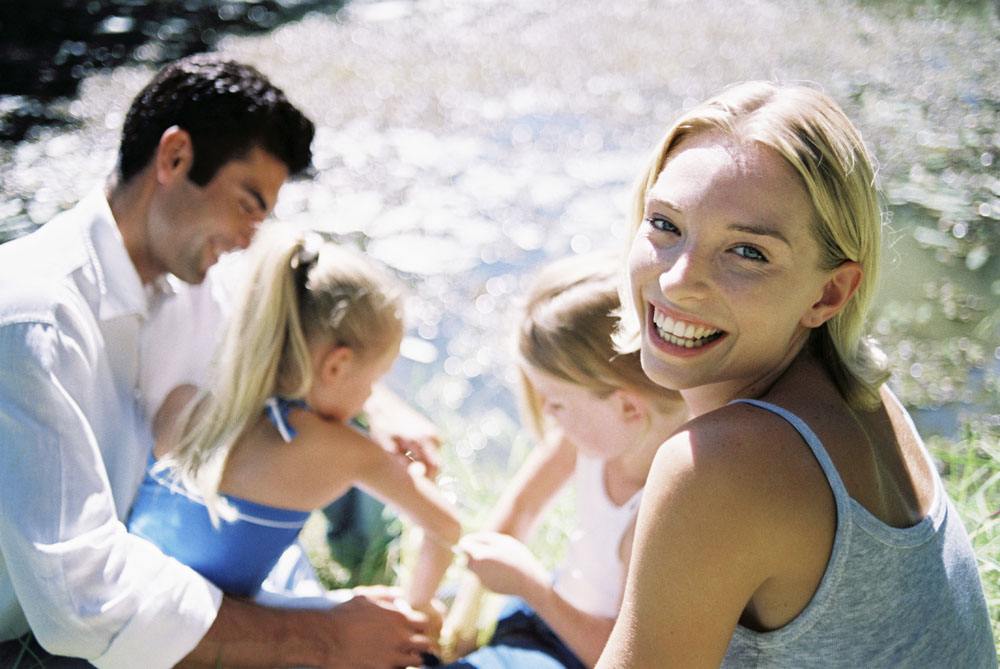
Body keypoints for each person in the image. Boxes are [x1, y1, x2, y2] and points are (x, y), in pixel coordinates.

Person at [0, 54, 436, 669]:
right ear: (174, 158)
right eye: (246, 205)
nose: (250, 238)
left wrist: (383, 408)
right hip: (44, 643)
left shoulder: (193, 275)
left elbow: (295, 348)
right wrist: (325, 638)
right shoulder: (34, 321)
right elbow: (82, 605)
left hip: (170, 565)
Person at [594, 81, 996, 667]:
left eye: (748, 252)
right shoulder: (862, 398)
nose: (678, 281)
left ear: (829, 293)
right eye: (665, 224)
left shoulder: (721, 468)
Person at [128, 225, 461, 625]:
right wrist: (418, 607)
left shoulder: (183, 403)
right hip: (229, 640)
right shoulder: (342, 451)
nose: (370, 400)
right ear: (337, 365)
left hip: (138, 615)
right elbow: (446, 528)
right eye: (373, 382)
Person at [439, 252, 688, 668]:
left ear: (627, 407)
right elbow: (521, 509)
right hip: (546, 608)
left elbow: (620, 652)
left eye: (556, 402)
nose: (547, 414)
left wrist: (529, 585)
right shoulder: (585, 442)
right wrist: (464, 620)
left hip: (578, 651)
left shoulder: (659, 510)